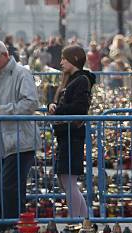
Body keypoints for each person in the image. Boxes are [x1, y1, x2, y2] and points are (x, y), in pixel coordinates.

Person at [0, 40, 40, 229]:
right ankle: (19, 228)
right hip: (5, 142)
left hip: (21, 141)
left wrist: (2, 110)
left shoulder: (21, 73)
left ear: (5, 55)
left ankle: (13, 228)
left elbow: (30, 103)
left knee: (6, 186)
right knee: (13, 188)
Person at [47, 45, 95, 219]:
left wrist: (57, 110)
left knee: (68, 180)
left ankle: (77, 221)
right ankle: (82, 220)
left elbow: (79, 108)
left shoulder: (81, 80)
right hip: (65, 133)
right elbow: (62, 104)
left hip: (72, 133)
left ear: (74, 60)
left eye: (64, 59)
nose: (60, 62)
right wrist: (52, 106)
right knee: (65, 180)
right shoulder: (71, 79)